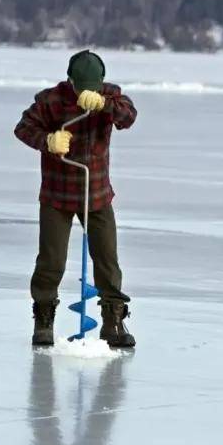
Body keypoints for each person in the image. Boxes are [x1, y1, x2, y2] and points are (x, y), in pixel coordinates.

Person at [13, 50, 137, 348]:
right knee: (51, 260)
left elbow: (129, 116)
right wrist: (48, 141)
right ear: (69, 80)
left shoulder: (110, 96)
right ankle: (44, 319)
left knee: (107, 259)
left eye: (91, 87)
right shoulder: (50, 100)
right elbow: (22, 128)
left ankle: (113, 322)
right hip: (57, 193)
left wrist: (105, 104)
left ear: (101, 82)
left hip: (96, 193)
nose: (85, 92)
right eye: (81, 87)